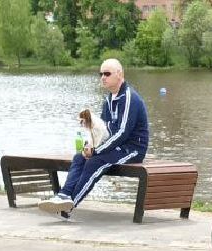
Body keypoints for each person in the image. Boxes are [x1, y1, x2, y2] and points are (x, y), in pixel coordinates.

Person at [37, 58, 149, 218]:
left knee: (95, 162)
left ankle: (68, 206)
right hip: (115, 147)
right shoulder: (109, 99)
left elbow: (122, 133)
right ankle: (63, 195)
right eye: (100, 74)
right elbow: (101, 131)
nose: (103, 77)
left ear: (119, 74)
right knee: (79, 157)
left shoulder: (129, 98)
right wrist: (89, 146)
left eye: (107, 74)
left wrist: (96, 151)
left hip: (132, 149)